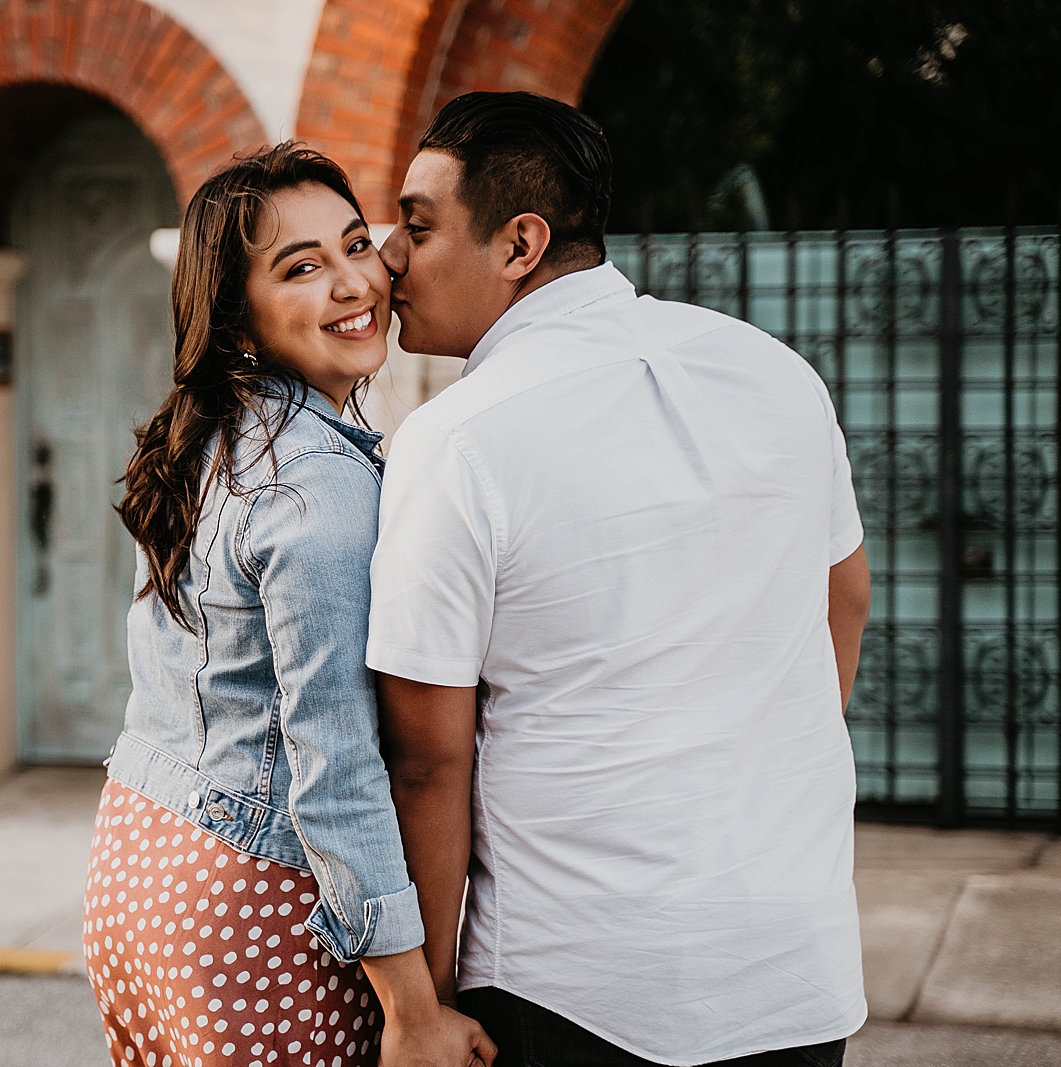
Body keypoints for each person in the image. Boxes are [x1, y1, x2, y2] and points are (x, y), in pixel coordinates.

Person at [368, 91, 873, 1067]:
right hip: (793, 963)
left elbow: (427, 757)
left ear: (518, 244)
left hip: (573, 985)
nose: (389, 254)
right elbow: (842, 596)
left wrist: (421, 1008)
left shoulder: (456, 440)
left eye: (418, 224)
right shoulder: (774, 373)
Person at [84, 143, 497, 1067]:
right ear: (239, 321)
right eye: (302, 268)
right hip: (253, 906)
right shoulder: (317, 486)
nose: (356, 282)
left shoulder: (210, 440)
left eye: (357, 245)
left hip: (139, 864)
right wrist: (413, 1008)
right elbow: (337, 762)